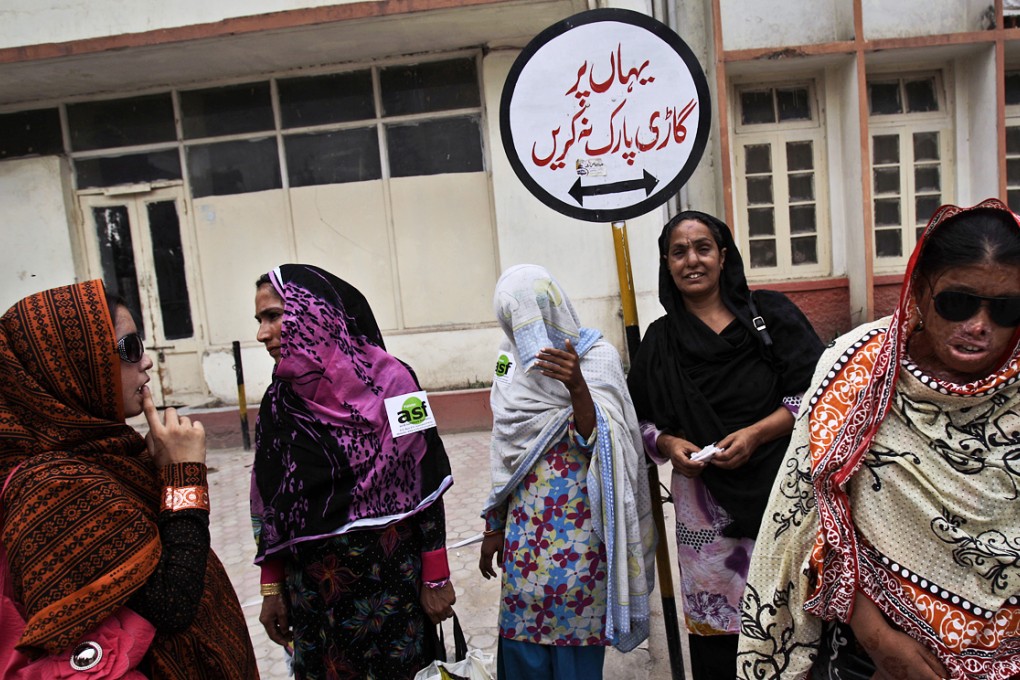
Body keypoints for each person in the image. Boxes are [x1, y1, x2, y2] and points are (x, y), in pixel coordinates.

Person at [736, 199, 1020, 679]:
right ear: (919, 291)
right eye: (957, 302)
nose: (979, 326)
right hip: (870, 654)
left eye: (1007, 309)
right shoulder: (856, 369)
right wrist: (881, 640)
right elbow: (811, 521)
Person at [0, 280, 258, 678]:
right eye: (130, 348)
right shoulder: (53, 485)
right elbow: (172, 604)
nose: (147, 362)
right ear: (74, 365)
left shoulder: (104, 455)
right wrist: (182, 477)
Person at [627, 210, 825, 679]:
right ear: (666, 263)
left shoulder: (771, 316)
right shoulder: (660, 341)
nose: (691, 260)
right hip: (706, 519)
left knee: (794, 623)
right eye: (678, 251)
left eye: (703, 248)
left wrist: (759, 433)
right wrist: (670, 443)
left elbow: (821, 392)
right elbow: (637, 421)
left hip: (784, 502)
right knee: (721, 640)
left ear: (723, 256)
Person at [252, 264, 456, 679]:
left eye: (273, 316)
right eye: (259, 320)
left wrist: (435, 576)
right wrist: (271, 588)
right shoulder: (278, 404)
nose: (262, 333)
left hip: (391, 589)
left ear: (314, 313)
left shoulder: (396, 385)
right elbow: (271, 504)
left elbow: (426, 481)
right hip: (313, 603)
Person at [478, 264, 656, 680]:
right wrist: (493, 528)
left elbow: (609, 443)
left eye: (535, 318)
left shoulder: (598, 358)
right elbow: (503, 454)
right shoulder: (508, 365)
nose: (529, 334)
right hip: (525, 546)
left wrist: (577, 386)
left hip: (582, 545)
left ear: (553, 307)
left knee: (576, 659)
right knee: (523, 656)